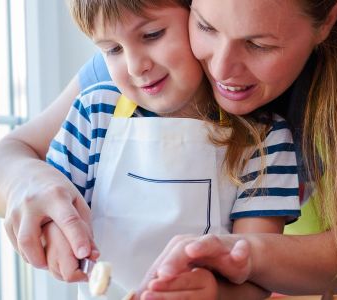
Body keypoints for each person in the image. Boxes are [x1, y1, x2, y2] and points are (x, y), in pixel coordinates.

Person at [0, 0, 337, 297]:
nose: (223, 69)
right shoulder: (135, 58)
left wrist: (229, 274)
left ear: (328, 19)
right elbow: (6, 157)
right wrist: (28, 187)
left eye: (258, 44)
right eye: (207, 27)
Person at [47, 0, 301, 297]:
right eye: (112, 49)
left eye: (152, 34)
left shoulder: (264, 138)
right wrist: (55, 235)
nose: (135, 66)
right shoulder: (93, 115)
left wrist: (216, 293)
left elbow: (257, 279)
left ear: (200, 21)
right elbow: (53, 208)